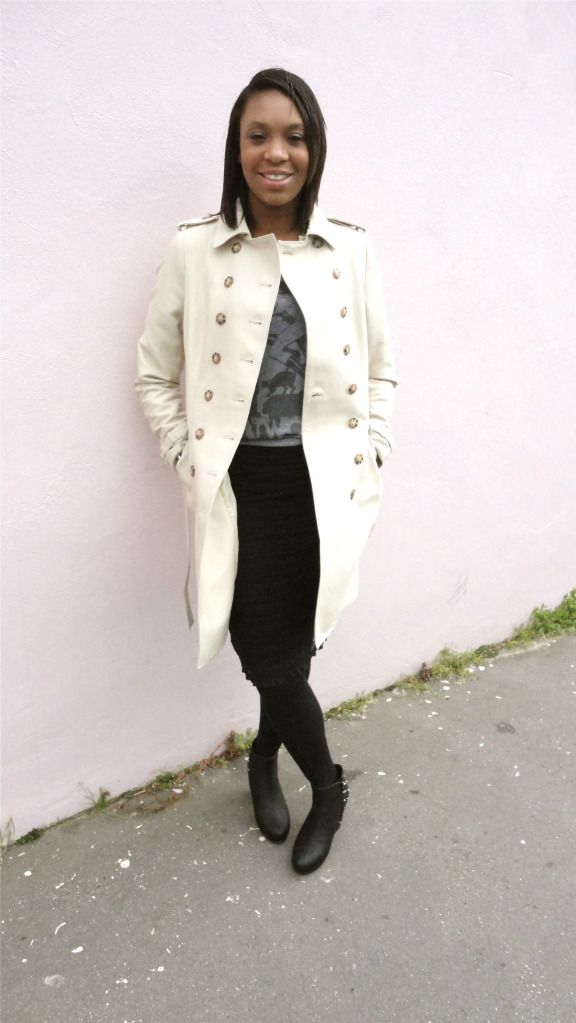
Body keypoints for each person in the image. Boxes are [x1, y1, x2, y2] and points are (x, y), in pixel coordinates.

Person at [136, 68, 397, 874]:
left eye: (294, 136)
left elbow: (380, 368)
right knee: (268, 654)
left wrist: (374, 446)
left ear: (314, 150)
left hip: (322, 484)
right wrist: (187, 456)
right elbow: (155, 374)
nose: (276, 153)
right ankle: (329, 786)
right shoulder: (196, 248)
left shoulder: (349, 247)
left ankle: (261, 758)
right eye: (259, 136)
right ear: (237, 147)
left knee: (295, 647)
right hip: (237, 486)